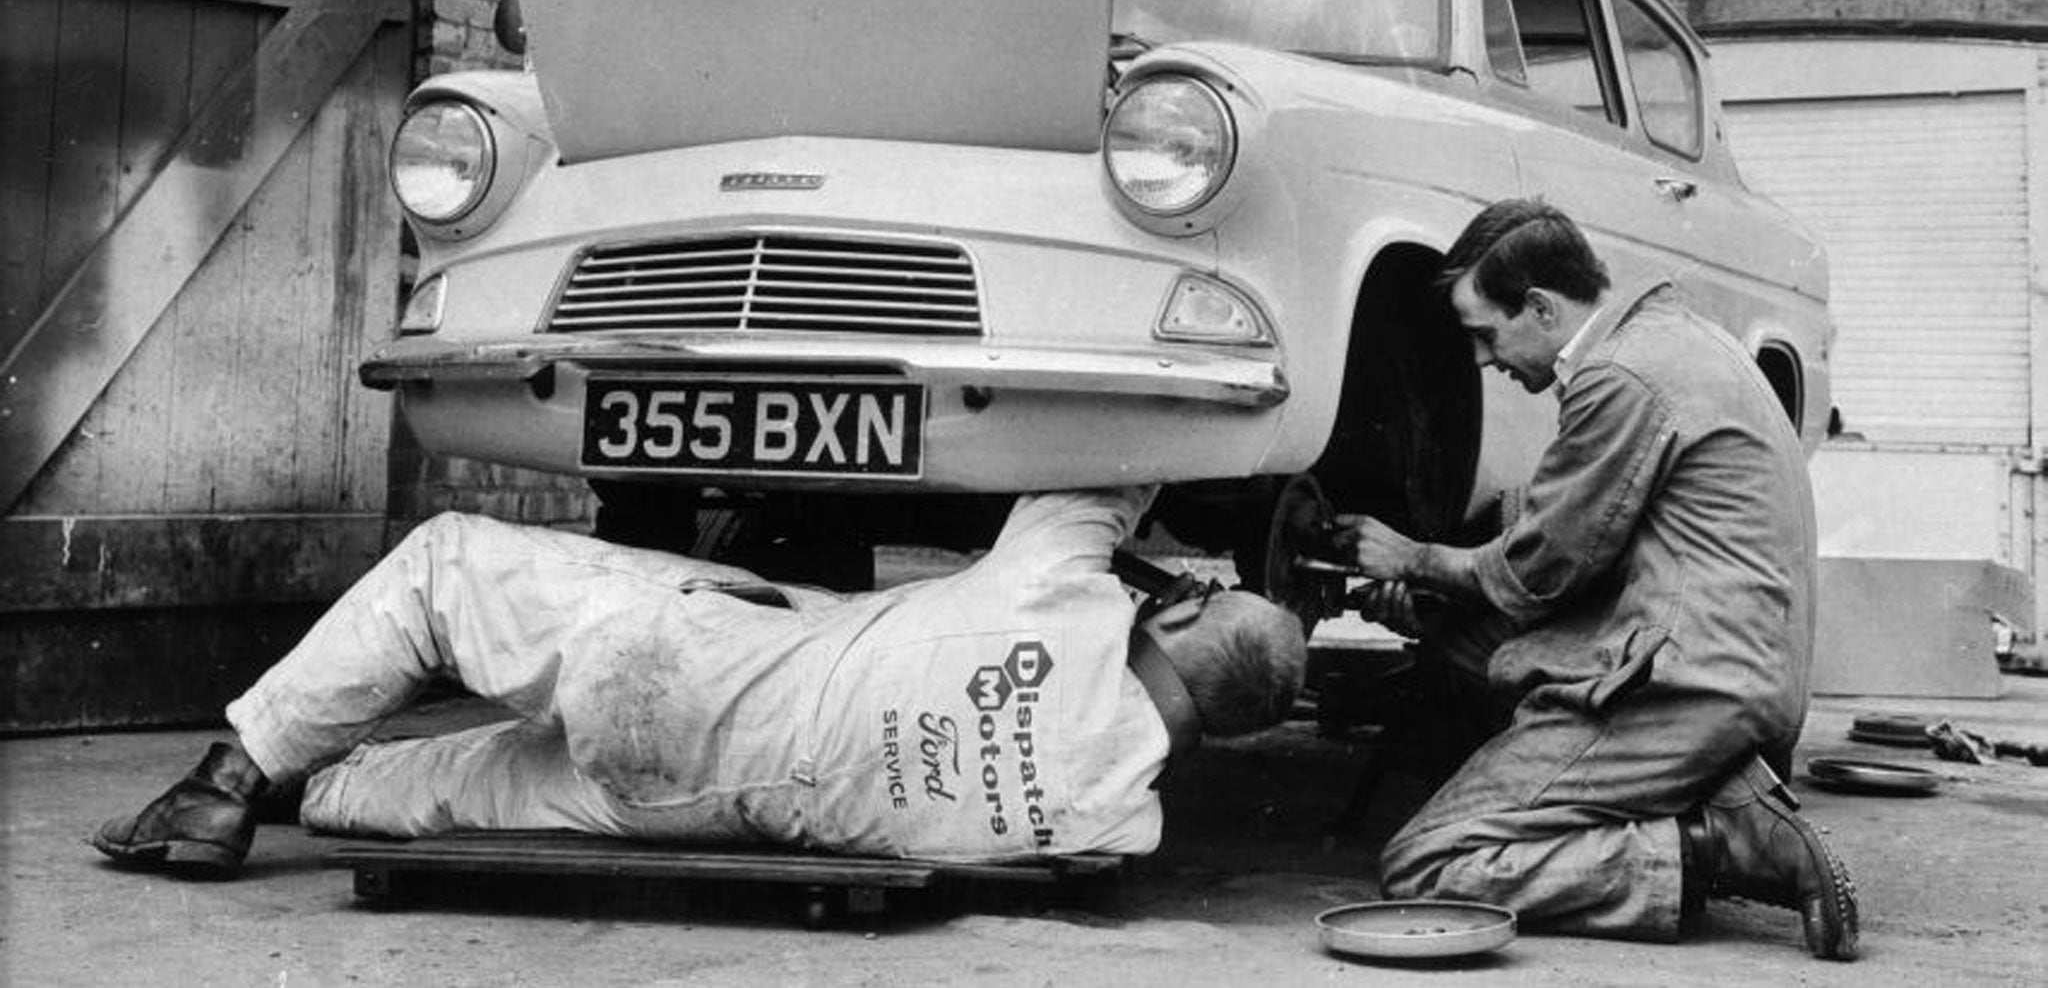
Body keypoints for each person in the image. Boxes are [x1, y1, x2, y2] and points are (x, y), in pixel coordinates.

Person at [94, 487, 1305, 874]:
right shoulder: (1115, 824)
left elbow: (1112, 455)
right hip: (682, 805)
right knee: (418, 788)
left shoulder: (1058, 589)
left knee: (444, 566)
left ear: (1180, 608)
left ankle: (224, 785)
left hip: (686, 671)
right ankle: (313, 791)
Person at [1336, 198, 1858, 961]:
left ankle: (1711, 842)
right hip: (1741, 668)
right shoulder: (1673, 340)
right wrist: (1436, 597)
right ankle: (1714, 789)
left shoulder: (1617, 376)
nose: (1481, 360)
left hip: (1690, 686)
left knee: (1426, 861)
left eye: (1487, 333)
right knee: (1466, 641)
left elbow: (1534, 573)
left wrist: (1415, 558)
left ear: (1542, 307)